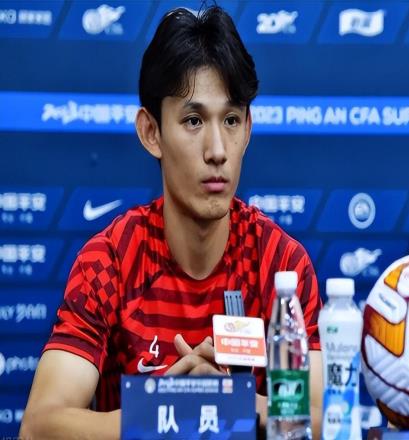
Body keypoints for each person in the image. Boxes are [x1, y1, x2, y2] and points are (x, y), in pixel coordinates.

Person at [20, 6, 323, 439]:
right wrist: (165, 407)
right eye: (193, 121)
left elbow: (325, 419)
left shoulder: (281, 264)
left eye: (231, 120)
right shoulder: (109, 261)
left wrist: (226, 402)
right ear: (151, 132)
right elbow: (39, 426)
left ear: (248, 129)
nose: (217, 150)